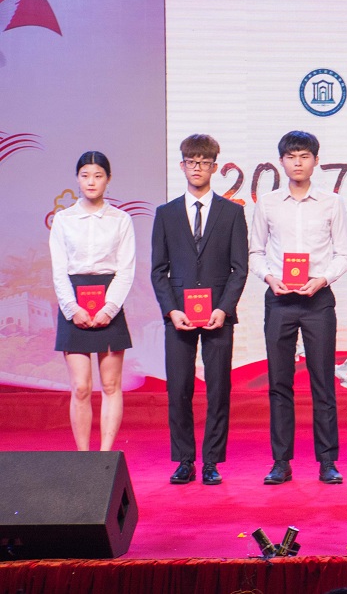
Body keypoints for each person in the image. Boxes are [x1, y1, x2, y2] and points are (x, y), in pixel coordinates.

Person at [249, 130, 347, 485]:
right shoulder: (268, 203)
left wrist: (322, 279)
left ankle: (328, 462)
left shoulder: (331, 203)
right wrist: (269, 277)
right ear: (281, 161)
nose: (297, 163)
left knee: (323, 381)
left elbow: (344, 254)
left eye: (304, 156)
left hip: (317, 300)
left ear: (316, 161)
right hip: (279, 299)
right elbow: (255, 251)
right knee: (280, 383)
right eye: (291, 156)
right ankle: (281, 462)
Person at [151, 134, 249, 485]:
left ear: (214, 167)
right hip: (178, 315)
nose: (197, 168)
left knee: (218, 388)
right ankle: (184, 460)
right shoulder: (165, 214)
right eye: (192, 162)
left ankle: (211, 462)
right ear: (182, 166)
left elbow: (240, 268)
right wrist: (171, 310)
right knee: (178, 388)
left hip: (218, 315)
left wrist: (224, 308)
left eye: (204, 162)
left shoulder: (232, 212)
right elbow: (158, 270)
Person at [49, 151, 135, 451]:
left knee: (110, 385)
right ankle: (84, 457)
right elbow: (59, 270)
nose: (91, 182)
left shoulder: (121, 220)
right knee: (81, 386)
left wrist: (109, 308)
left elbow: (125, 269)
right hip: (73, 301)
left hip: (110, 299)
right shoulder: (63, 220)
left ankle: (105, 456)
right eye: (85, 175)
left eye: (98, 176)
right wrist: (72, 309)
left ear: (108, 179)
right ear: (77, 178)